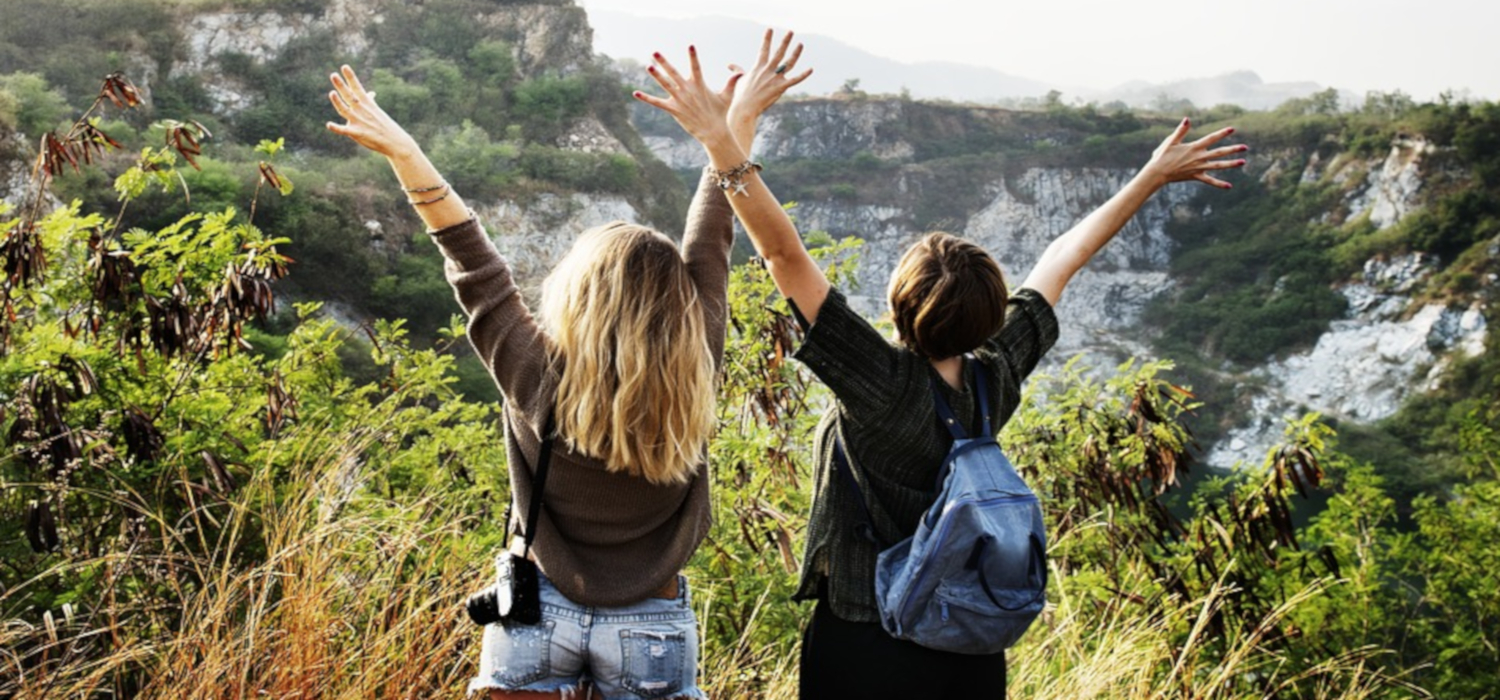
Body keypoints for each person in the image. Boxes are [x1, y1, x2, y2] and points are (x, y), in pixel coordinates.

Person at [636, 33, 1248, 699]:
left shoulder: (883, 383)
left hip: (865, 638)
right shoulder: (997, 374)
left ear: (899, 307)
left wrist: (720, 140)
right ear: (991, 316)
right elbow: (1065, 257)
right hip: (967, 639)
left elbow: (783, 255)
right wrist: (1151, 176)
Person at [324, 52, 803, 700]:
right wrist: (733, 126)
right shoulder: (698, 358)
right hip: (651, 627)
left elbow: (469, 256)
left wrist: (406, 152)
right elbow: (710, 240)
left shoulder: (532, 372)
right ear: (681, 311)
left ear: (577, 296)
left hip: (535, 614)